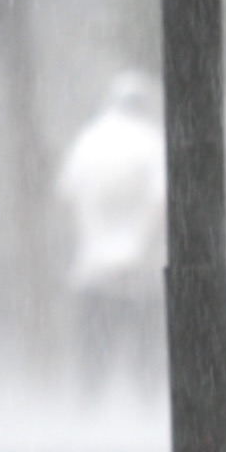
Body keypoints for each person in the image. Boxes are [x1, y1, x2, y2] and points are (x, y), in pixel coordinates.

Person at [54, 71, 168, 401]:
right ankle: (148, 410)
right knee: (146, 350)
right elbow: (160, 202)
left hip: (93, 268)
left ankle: (89, 410)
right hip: (142, 269)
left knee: (94, 349)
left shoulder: (87, 141)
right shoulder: (152, 141)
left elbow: (64, 196)